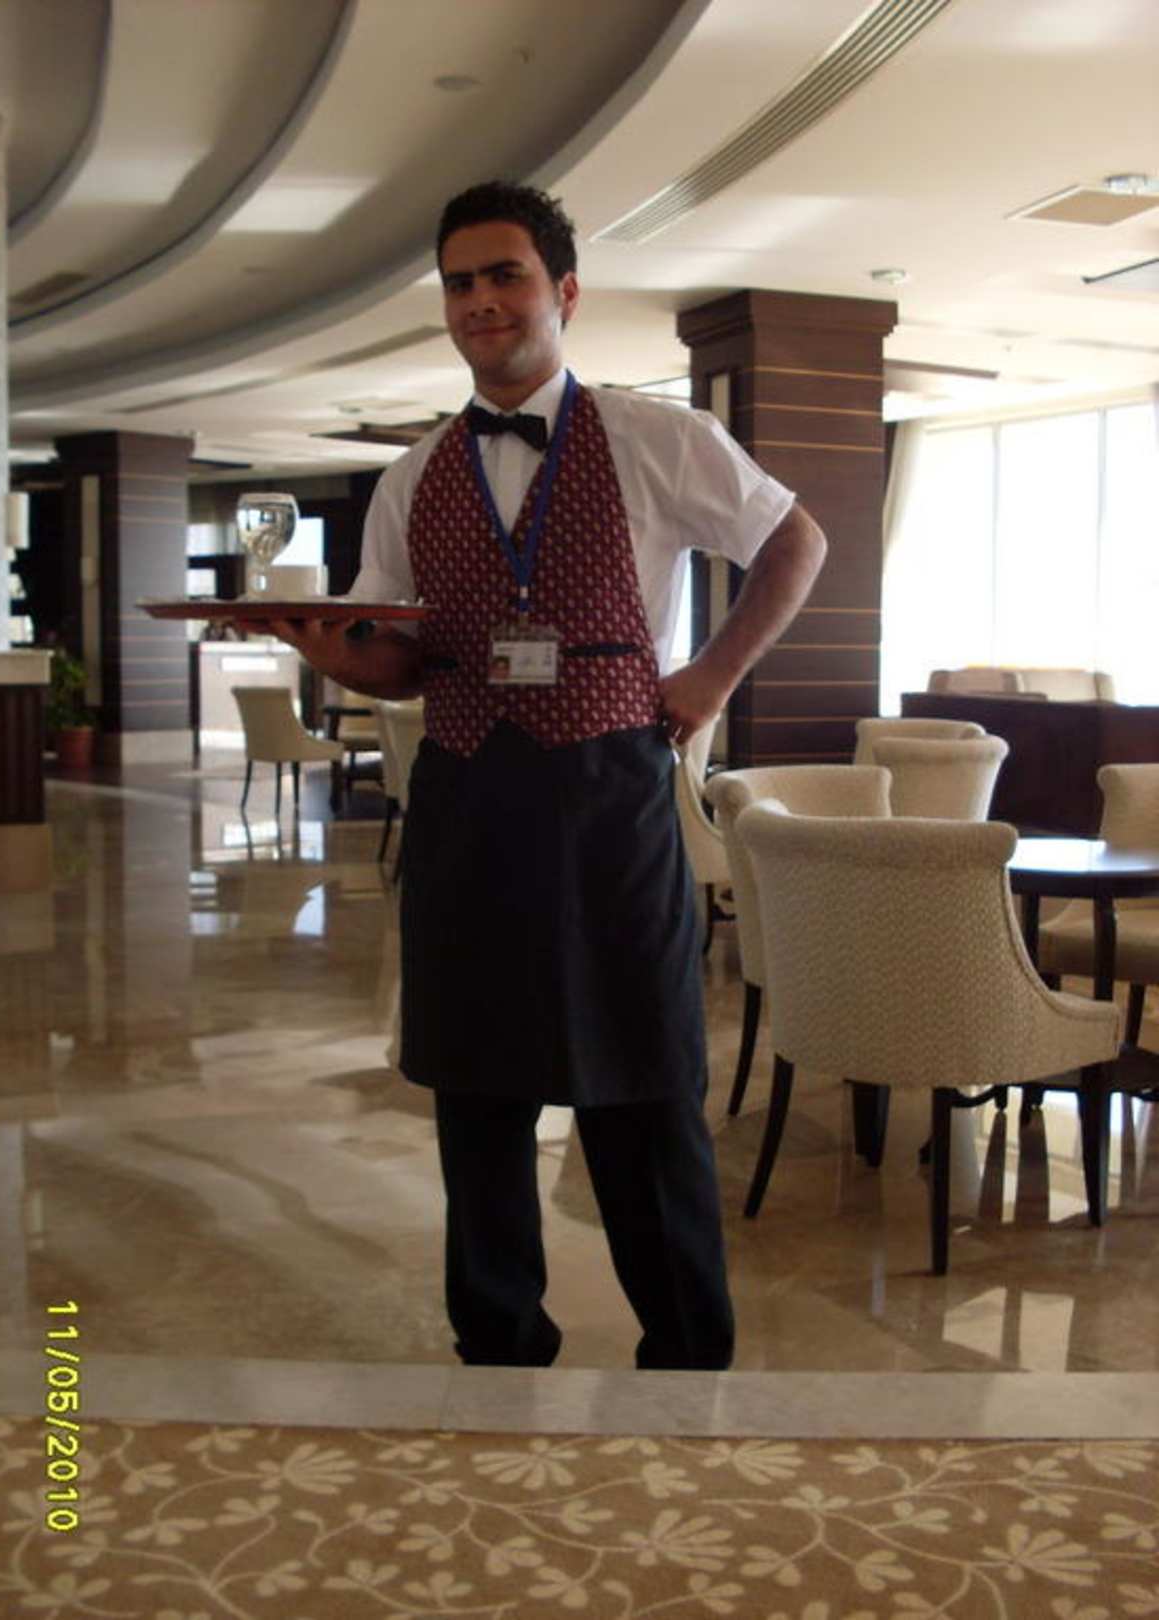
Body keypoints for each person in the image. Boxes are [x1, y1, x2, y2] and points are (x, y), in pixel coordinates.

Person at [255, 181, 826, 1370]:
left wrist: (713, 675)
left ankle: (687, 1353)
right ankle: (500, 1347)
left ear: (564, 291)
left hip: (612, 804)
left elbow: (795, 541)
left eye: (504, 275)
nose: (481, 301)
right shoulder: (414, 475)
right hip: (466, 802)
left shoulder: (657, 438)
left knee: (641, 1084)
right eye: (460, 282)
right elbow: (402, 661)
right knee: (478, 1096)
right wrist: (336, 654)